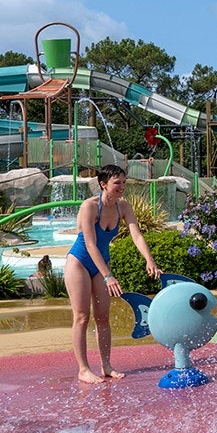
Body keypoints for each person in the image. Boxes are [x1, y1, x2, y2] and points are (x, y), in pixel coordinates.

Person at [65, 164, 161, 383]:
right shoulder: (89, 207)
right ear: (103, 184)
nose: (122, 187)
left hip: (101, 264)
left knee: (102, 317)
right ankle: (83, 369)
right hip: (79, 263)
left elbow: (136, 235)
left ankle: (106, 365)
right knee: (81, 316)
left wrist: (149, 260)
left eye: (124, 182)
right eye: (117, 183)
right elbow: (90, 245)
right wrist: (108, 275)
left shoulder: (123, 207)